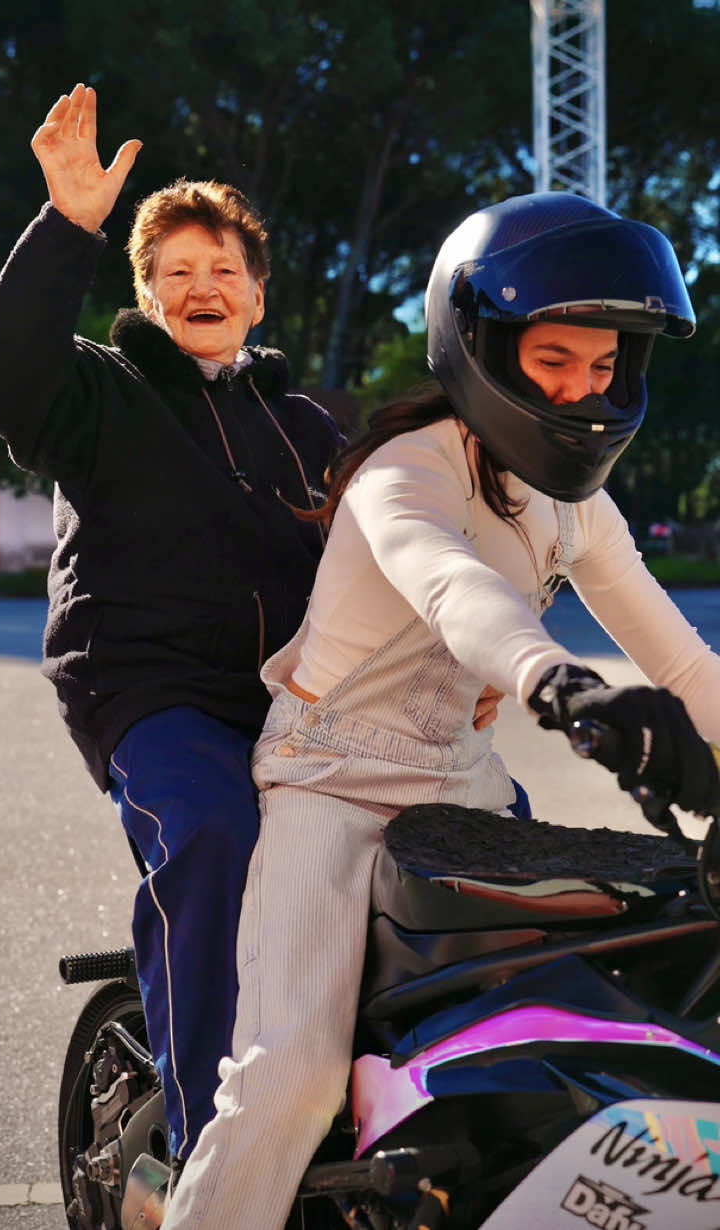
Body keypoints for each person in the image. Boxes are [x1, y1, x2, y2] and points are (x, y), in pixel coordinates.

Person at [158, 191, 720, 1230]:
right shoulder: (402, 473)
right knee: (290, 1083)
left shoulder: (574, 506)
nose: (584, 393)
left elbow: (683, 660)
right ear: (482, 347)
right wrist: (565, 686)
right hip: (332, 784)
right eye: (555, 362)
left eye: (603, 368)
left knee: (574, 1022)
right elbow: (462, 593)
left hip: (461, 788)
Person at [0, 82, 353, 1167]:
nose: (201, 286)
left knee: (423, 848)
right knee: (214, 835)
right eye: (175, 272)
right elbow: (9, 378)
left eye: (223, 268)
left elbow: (384, 565)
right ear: (142, 291)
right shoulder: (101, 389)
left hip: (294, 705)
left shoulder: (308, 427)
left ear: (259, 296)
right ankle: (207, 1155)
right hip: (151, 694)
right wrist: (67, 224)